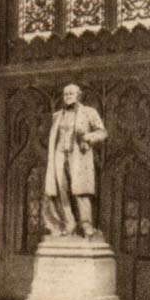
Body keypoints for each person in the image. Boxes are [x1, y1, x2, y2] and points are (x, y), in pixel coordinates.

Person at [43, 84, 107, 238]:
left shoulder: (89, 112)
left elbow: (103, 132)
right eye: (65, 94)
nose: (67, 96)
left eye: (71, 93)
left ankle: (86, 225)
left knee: (80, 192)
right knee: (60, 191)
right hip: (59, 154)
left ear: (79, 95)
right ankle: (69, 223)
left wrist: (88, 137)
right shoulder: (57, 115)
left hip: (78, 156)